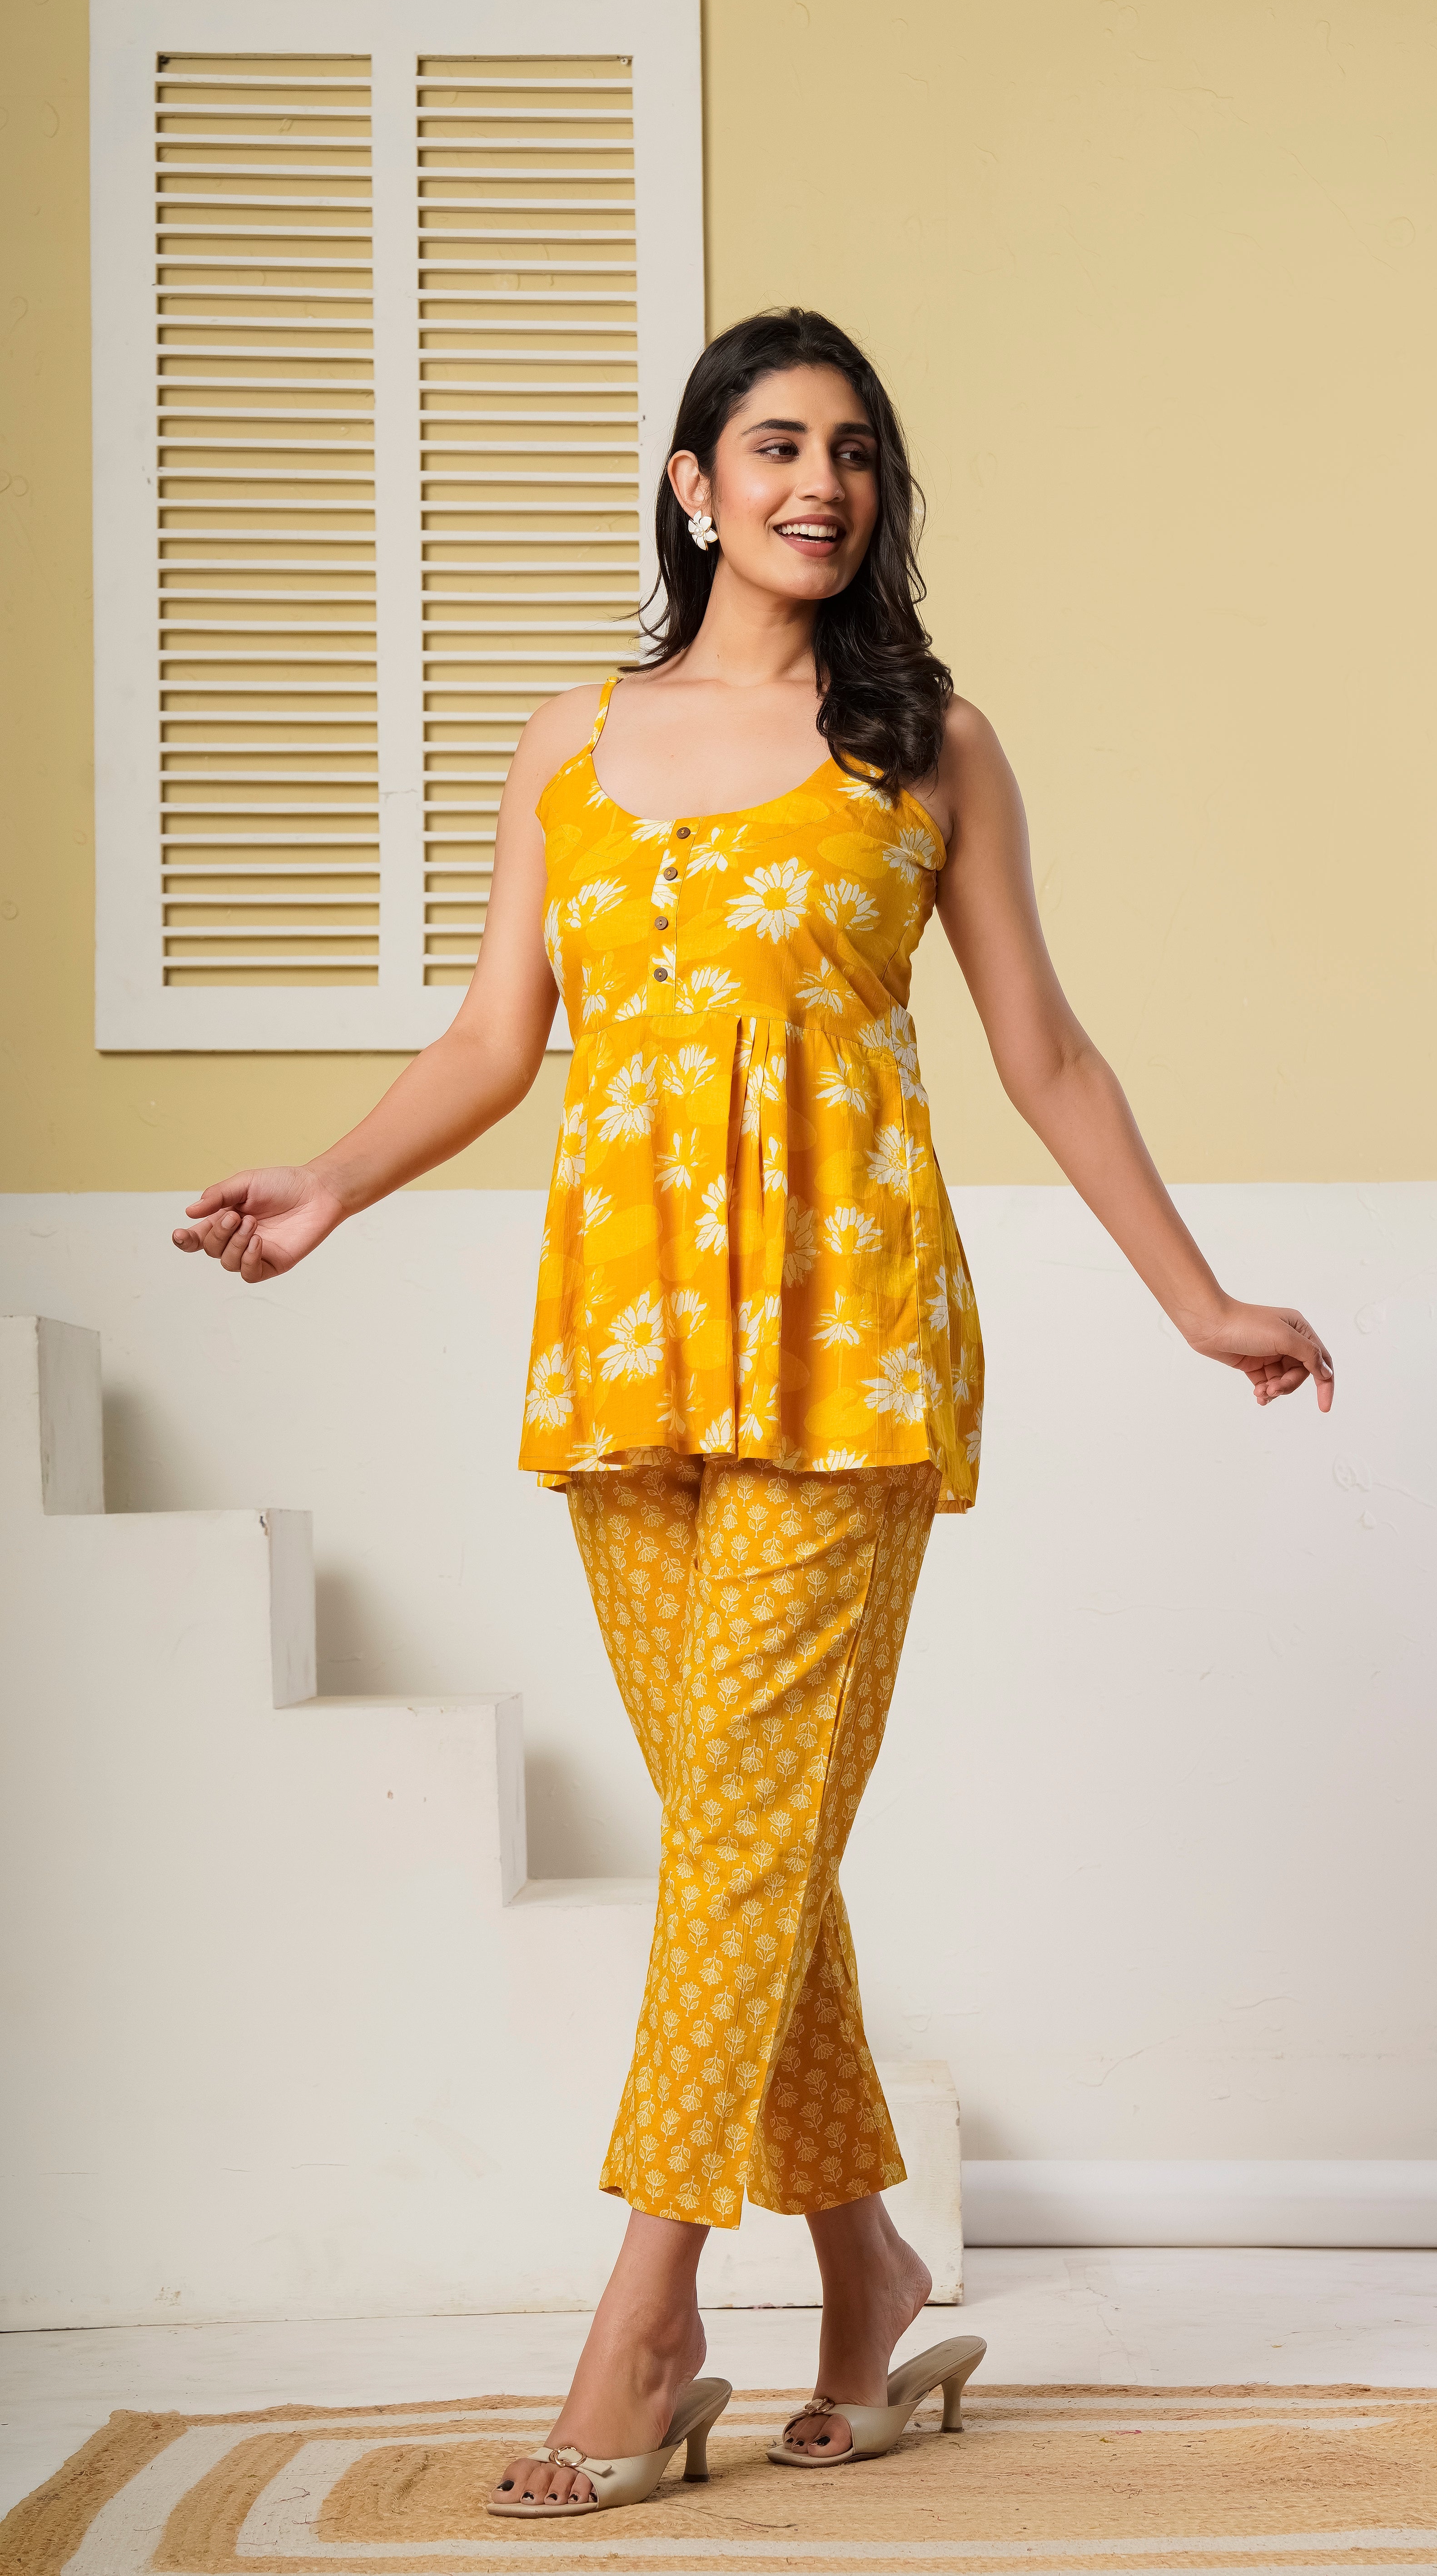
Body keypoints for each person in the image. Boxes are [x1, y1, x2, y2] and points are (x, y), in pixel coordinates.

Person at [173, 307, 1334, 2518]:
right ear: (696, 485)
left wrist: (1195, 1300)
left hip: (850, 1348)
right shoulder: (571, 740)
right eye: (780, 444)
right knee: (750, 1835)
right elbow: (496, 1039)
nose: (824, 482)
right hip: (623, 1356)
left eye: (858, 451)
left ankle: (648, 2317)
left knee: (735, 1843)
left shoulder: (931, 744)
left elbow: (1045, 1052)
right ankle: (872, 2271)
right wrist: (327, 1181)